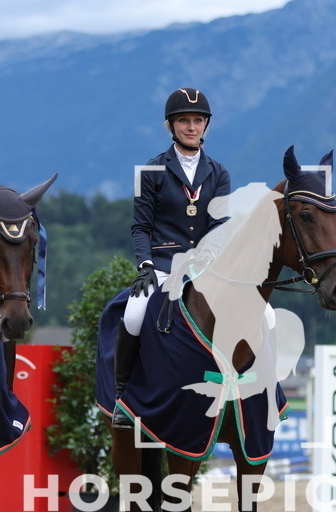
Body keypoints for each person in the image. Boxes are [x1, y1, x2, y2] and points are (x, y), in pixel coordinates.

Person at [112, 87, 231, 428]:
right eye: (183, 121)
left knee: (258, 313)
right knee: (134, 314)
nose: (191, 127)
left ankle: (251, 395)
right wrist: (145, 264)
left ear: (206, 125)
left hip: (206, 266)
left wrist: (207, 255)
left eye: (197, 120)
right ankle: (123, 398)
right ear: (170, 126)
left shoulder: (218, 173)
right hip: (163, 266)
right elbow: (140, 227)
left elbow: (220, 224)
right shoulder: (151, 171)